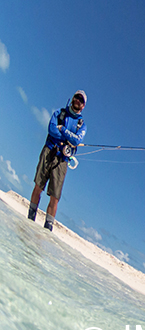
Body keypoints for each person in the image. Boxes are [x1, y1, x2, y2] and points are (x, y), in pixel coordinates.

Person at [28, 90, 87, 232]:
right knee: (38, 186)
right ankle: (29, 220)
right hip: (49, 150)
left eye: (81, 100)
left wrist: (63, 130)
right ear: (72, 98)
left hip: (62, 160)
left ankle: (47, 230)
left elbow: (77, 140)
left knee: (55, 197)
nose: (78, 100)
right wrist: (67, 136)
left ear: (83, 106)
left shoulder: (82, 124)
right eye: (76, 97)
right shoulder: (59, 113)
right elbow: (52, 130)